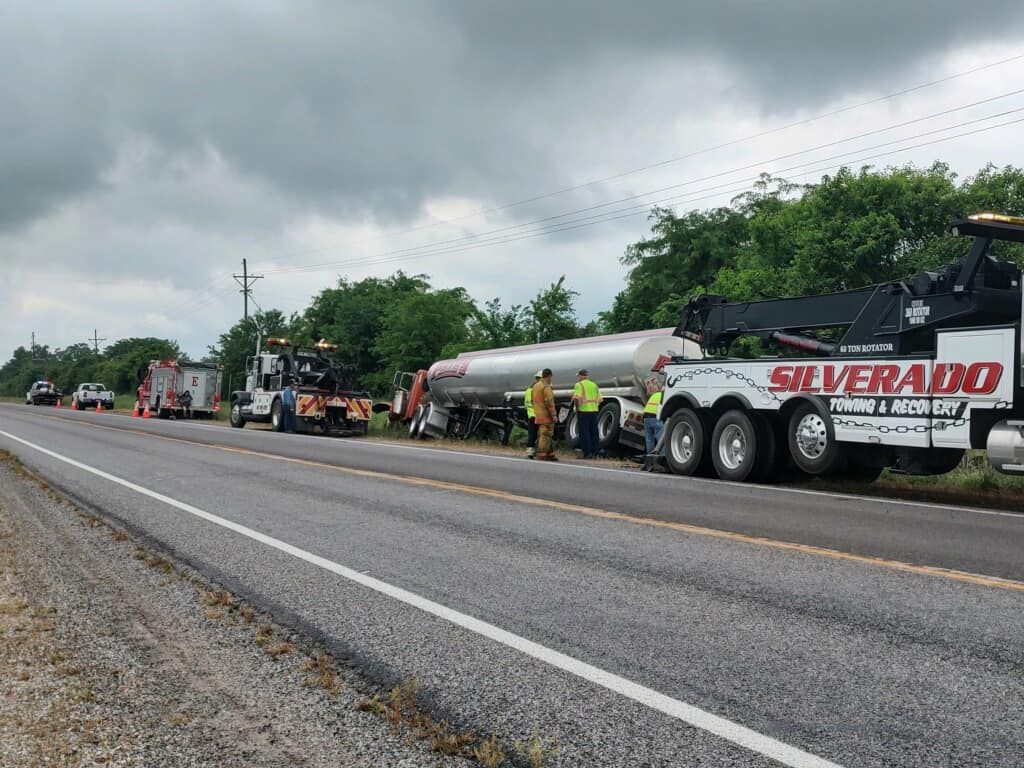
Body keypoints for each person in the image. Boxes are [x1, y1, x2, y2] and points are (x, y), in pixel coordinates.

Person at [572, 368, 602, 459]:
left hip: (583, 411)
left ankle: (587, 453)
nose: (578, 378)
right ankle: (595, 453)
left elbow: (576, 398)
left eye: (579, 376)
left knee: (584, 433)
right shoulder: (594, 385)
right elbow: (600, 400)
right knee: (594, 432)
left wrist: (577, 409)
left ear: (581, 376)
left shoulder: (579, 385)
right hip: (594, 411)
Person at [531, 368, 558, 461]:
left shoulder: (535, 386)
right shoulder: (546, 387)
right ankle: (542, 454)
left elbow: (532, 400)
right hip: (546, 415)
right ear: (549, 376)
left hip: (538, 414)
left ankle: (550, 454)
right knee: (546, 434)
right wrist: (554, 414)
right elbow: (549, 402)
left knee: (543, 433)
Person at [642, 378, 666, 472]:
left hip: (646, 418)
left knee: (649, 441)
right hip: (655, 418)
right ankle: (660, 463)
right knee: (661, 441)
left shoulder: (653, 395)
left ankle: (648, 463)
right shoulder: (662, 396)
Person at [524, 370, 542, 459]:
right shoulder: (539, 390)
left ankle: (530, 452)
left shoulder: (528, 390)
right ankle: (541, 452)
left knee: (532, 435)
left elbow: (526, 404)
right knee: (542, 434)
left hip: (531, 416)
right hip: (539, 416)